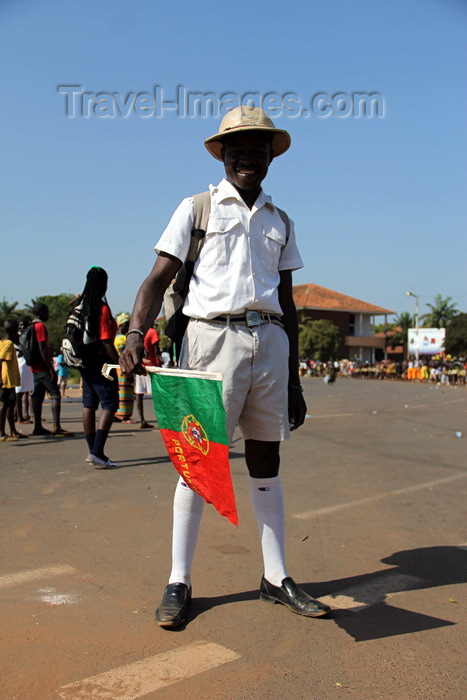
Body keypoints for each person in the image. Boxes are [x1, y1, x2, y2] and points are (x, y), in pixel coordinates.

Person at [120, 106, 330, 627]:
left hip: (271, 345)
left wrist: (296, 380)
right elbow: (156, 280)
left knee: (266, 461)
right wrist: (131, 332)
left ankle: (276, 577)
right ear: (223, 154)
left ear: (268, 158)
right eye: (236, 148)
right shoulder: (197, 209)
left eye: (257, 149)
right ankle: (178, 580)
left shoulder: (281, 221)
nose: (246, 156)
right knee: (197, 465)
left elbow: (287, 299)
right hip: (209, 341)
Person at [77, 266, 120, 468]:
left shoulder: (82, 306)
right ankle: (97, 452)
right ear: (103, 284)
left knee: (89, 405)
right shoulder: (101, 308)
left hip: (84, 363)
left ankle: (93, 451)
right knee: (110, 404)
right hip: (103, 363)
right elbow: (105, 340)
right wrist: (119, 363)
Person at [29, 302, 74, 437]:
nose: (48, 315)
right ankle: (57, 426)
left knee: (37, 396)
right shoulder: (40, 326)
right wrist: (50, 367)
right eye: (47, 312)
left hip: (34, 368)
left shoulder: (31, 326)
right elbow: (42, 348)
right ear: (42, 313)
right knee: (55, 395)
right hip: (42, 368)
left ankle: (37, 426)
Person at [0, 319, 26, 441]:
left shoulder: (2, 342)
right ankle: (2, 433)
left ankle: (12, 430)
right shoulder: (8, 343)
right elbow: (0, 360)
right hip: (6, 380)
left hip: (10, 379)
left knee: (11, 405)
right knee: (5, 405)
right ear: (15, 331)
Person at [134, 326, 161, 429]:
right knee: (156, 393)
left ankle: (142, 420)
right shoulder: (152, 332)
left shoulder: (139, 333)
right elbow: (156, 349)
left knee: (139, 393)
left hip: (139, 366)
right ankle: (161, 419)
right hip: (151, 367)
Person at [113, 313, 135, 423]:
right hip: (123, 368)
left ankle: (117, 414)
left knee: (121, 392)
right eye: (126, 325)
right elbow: (124, 355)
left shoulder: (116, 338)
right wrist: (129, 371)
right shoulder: (121, 339)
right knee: (125, 393)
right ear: (120, 325)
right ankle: (124, 416)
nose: (127, 327)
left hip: (118, 368)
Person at [15, 316, 34, 423]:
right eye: (21, 325)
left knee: (27, 390)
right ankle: (19, 416)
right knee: (19, 392)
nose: (22, 327)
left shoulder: (27, 335)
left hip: (26, 365)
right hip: (20, 364)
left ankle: (26, 414)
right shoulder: (17, 337)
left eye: (24, 325)